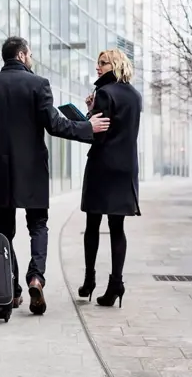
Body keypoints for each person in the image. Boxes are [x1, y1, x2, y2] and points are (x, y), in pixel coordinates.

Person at [0, 36, 110, 315]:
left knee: (4, 231)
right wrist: (87, 127)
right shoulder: (38, 85)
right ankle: (36, 277)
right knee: (38, 225)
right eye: (30, 53)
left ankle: (12, 289)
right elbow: (54, 125)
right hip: (32, 169)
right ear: (21, 56)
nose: (31, 58)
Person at [77, 49, 141, 308]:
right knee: (117, 227)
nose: (97, 68)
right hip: (126, 168)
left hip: (103, 166)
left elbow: (97, 134)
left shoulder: (105, 93)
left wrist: (87, 115)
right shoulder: (135, 95)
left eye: (102, 63)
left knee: (93, 223)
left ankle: (89, 279)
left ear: (114, 65)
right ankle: (116, 283)